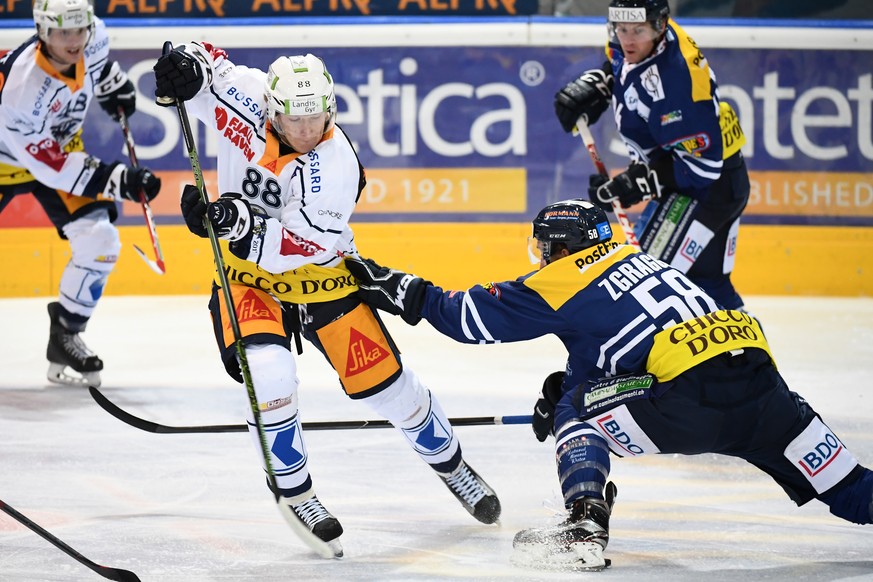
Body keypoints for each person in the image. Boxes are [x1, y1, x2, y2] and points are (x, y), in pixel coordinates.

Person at [346, 198, 873, 571]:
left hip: (691, 400)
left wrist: (392, 285)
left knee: (574, 412)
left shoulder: (564, 277)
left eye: (544, 248)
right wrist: (571, 383)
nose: (541, 258)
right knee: (851, 491)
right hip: (764, 390)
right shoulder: (644, 260)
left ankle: (585, 522)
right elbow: (621, 344)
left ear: (560, 249)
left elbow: (462, 317)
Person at [152, 46, 501, 558]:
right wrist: (182, 71)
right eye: (294, 119)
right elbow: (206, 67)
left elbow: (302, 247)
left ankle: (452, 465)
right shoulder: (245, 95)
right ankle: (297, 492)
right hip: (247, 279)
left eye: (316, 118)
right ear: (272, 108)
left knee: (389, 391)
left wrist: (229, 222)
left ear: (330, 110)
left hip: (322, 278)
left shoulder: (335, 166)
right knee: (268, 372)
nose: (306, 130)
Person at [0, 0, 161, 388]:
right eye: (62, 33)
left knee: (100, 240)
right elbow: (51, 165)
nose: (74, 41)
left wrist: (111, 86)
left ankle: (66, 335)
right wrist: (119, 180)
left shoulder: (94, 34)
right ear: (42, 33)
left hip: (57, 150)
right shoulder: (22, 90)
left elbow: (100, 63)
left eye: (80, 30)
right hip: (12, 157)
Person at [554, 0, 750, 311]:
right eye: (621, 29)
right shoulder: (643, 36)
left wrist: (637, 183)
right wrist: (604, 82)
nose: (627, 39)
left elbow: (703, 166)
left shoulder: (678, 86)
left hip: (705, 189)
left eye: (637, 31)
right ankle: (749, 358)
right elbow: (619, 58)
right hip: (716, 179)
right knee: (708, 286)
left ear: (659, 27)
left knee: (639, 288)